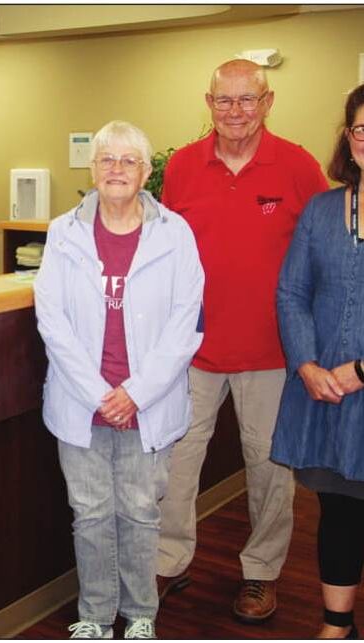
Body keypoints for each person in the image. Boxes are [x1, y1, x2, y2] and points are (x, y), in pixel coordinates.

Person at [156, 59, 329, 622]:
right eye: (224, 100)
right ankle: (169, 560)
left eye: (246, 100)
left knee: (269, 468)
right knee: (177, 463)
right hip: (193, 350)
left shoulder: (298, 166)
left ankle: (261, 574)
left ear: (268, 100)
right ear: (208, 102)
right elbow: (164, 252)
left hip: (271, 354)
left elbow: (322, 254)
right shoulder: (182, 166)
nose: (235, 112)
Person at [34, 120, 204, 639]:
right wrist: (99, 394)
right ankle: (95, 615)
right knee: (89, 514)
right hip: (80, 402)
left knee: (139, 512)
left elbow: (186, 321)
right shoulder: (64, 232)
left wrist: (134, 393)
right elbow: (52, 318)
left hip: (147, 403)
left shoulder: (174, 233)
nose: (117, 170)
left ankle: (141, 613)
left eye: (129, 161)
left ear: (146, 173)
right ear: (92, 169)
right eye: (107, 160)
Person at [270, 83, 364, 639]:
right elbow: (291, 292)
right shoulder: (322, 210)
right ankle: (337, 624)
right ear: (348, 139)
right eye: (361, 130)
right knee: (340, 511)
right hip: (327, 392)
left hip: (353, 382)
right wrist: (306, 364)